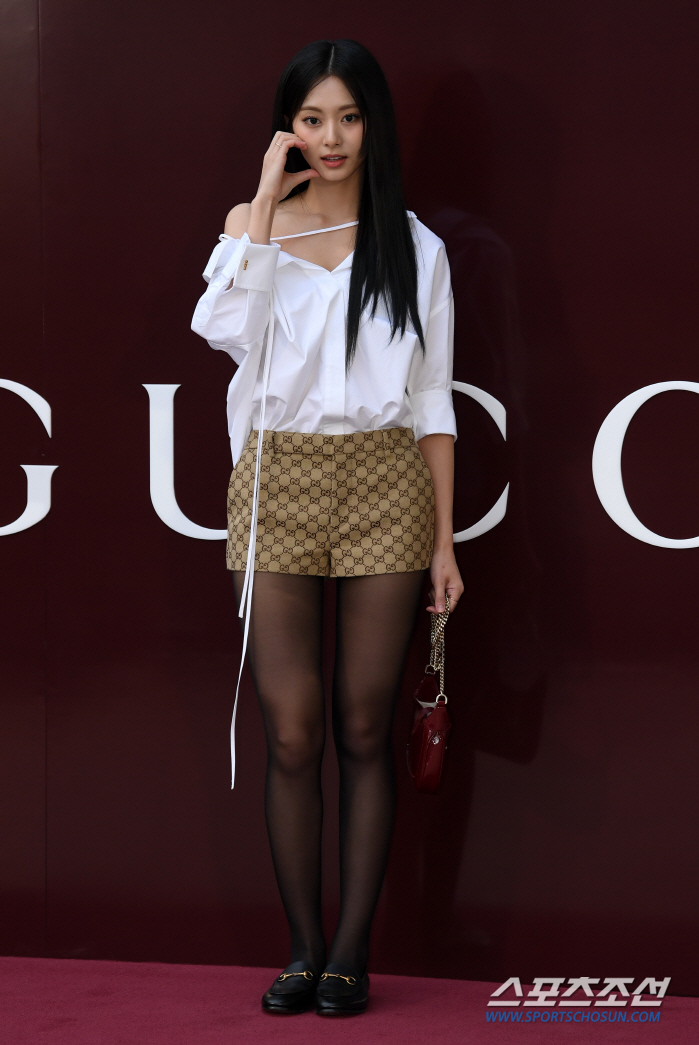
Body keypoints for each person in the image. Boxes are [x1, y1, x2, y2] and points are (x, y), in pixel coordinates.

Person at [191, 38, 463, 1017]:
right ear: (288, 128)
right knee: (293, 730)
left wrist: (443, 541)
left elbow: (431, 401)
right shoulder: (251, 227)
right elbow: (224, 331)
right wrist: (266, 202)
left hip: (386, 479)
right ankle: (302, 948)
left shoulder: (415, 247)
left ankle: (351, 952)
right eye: (312, 118)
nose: (333, 136)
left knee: (360, 725)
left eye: (349, 116)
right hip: (278, 477)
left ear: (372, 123)